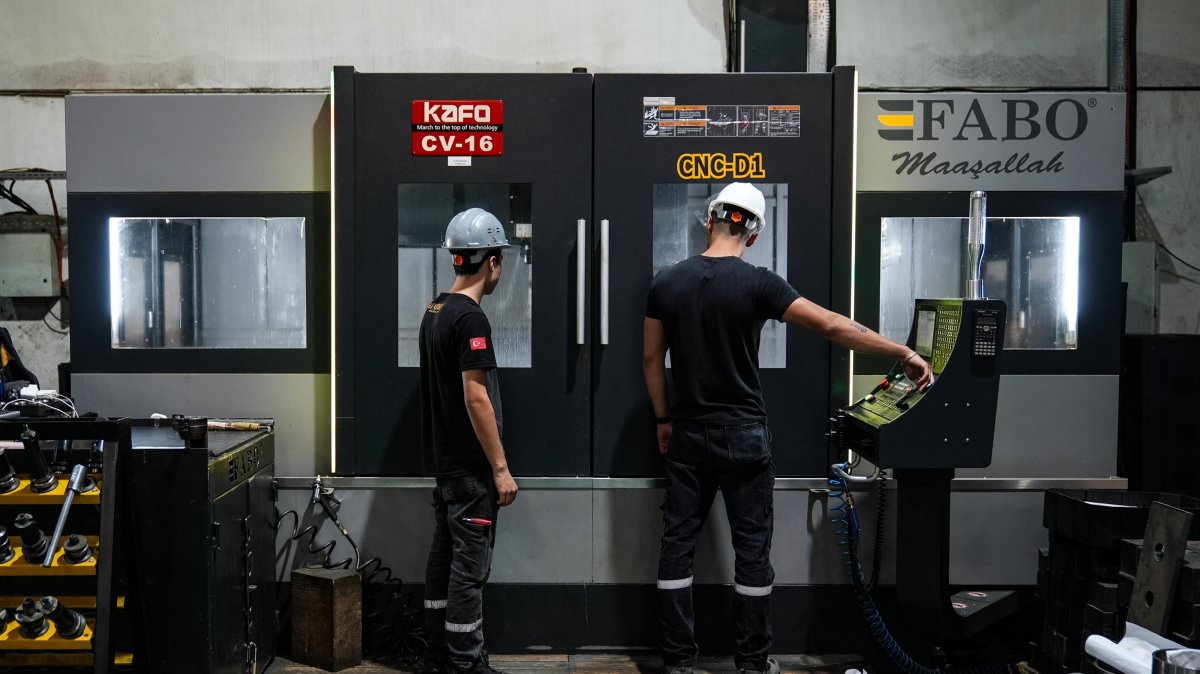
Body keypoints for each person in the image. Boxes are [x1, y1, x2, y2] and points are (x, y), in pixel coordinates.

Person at [643, 183, 933, 674]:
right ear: (754, 235)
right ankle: (753, 664)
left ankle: (677, 663)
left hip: (688, 434)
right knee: (752, 550)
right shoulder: (760, 283)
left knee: (677, 545)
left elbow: (652, 360)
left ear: (709, 220)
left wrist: (664, 419)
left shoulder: (666, 283)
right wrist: (902, 351)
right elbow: (832, 325)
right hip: (744, 434)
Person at [419, 208, 520, 674]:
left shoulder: (435, 311)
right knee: (469, 571)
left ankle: (438, 657)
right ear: (492, 262)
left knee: (444, 561)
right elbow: (476, 397)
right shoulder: (471, 319)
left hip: (445, 466)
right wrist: (500, 468)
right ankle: (466, 664)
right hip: (470, 469)